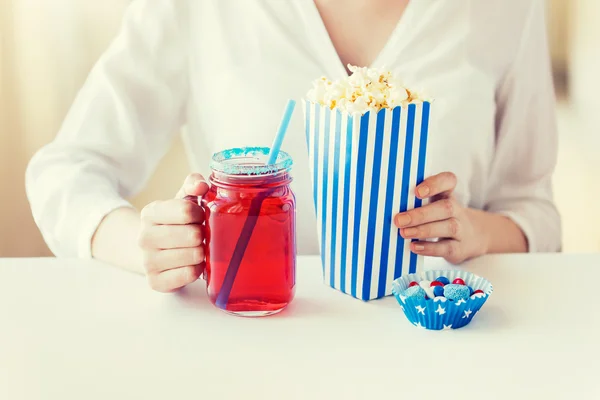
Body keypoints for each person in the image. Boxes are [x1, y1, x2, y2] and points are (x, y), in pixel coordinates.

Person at [26, 0, 561, 293]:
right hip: (248, 347)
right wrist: (145, 244)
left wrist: (474, 231)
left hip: (444, 353)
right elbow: (64, 170)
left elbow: (535, 212)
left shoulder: (507, 9)